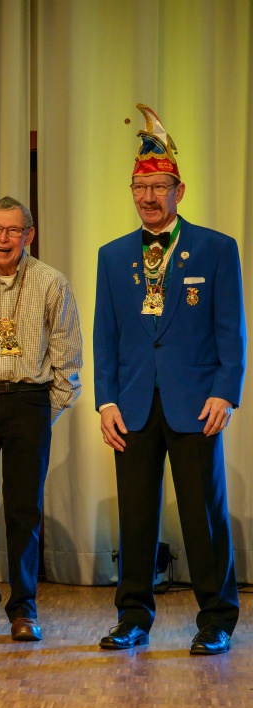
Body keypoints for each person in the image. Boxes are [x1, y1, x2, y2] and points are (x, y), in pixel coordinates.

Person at [94, 104, 246, 655]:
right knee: (135, 516)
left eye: (159, 187)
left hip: (196, 402)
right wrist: (105, 401)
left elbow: (231, 330)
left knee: (203, 515)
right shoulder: (113, 256)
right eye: (140, 187)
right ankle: (133, 616)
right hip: (132, 403)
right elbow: (105, 335)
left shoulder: (216, 248)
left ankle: (217, 619)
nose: (148, 197)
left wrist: (226, 390)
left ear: (179, 190)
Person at [0, 196, 83, 642]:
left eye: (13, 231)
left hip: (30, 402)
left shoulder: (51, 282)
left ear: (29, 235)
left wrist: (41, 415)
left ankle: (24, 609)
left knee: (24, 511)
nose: (3, 239)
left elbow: (68, 363)